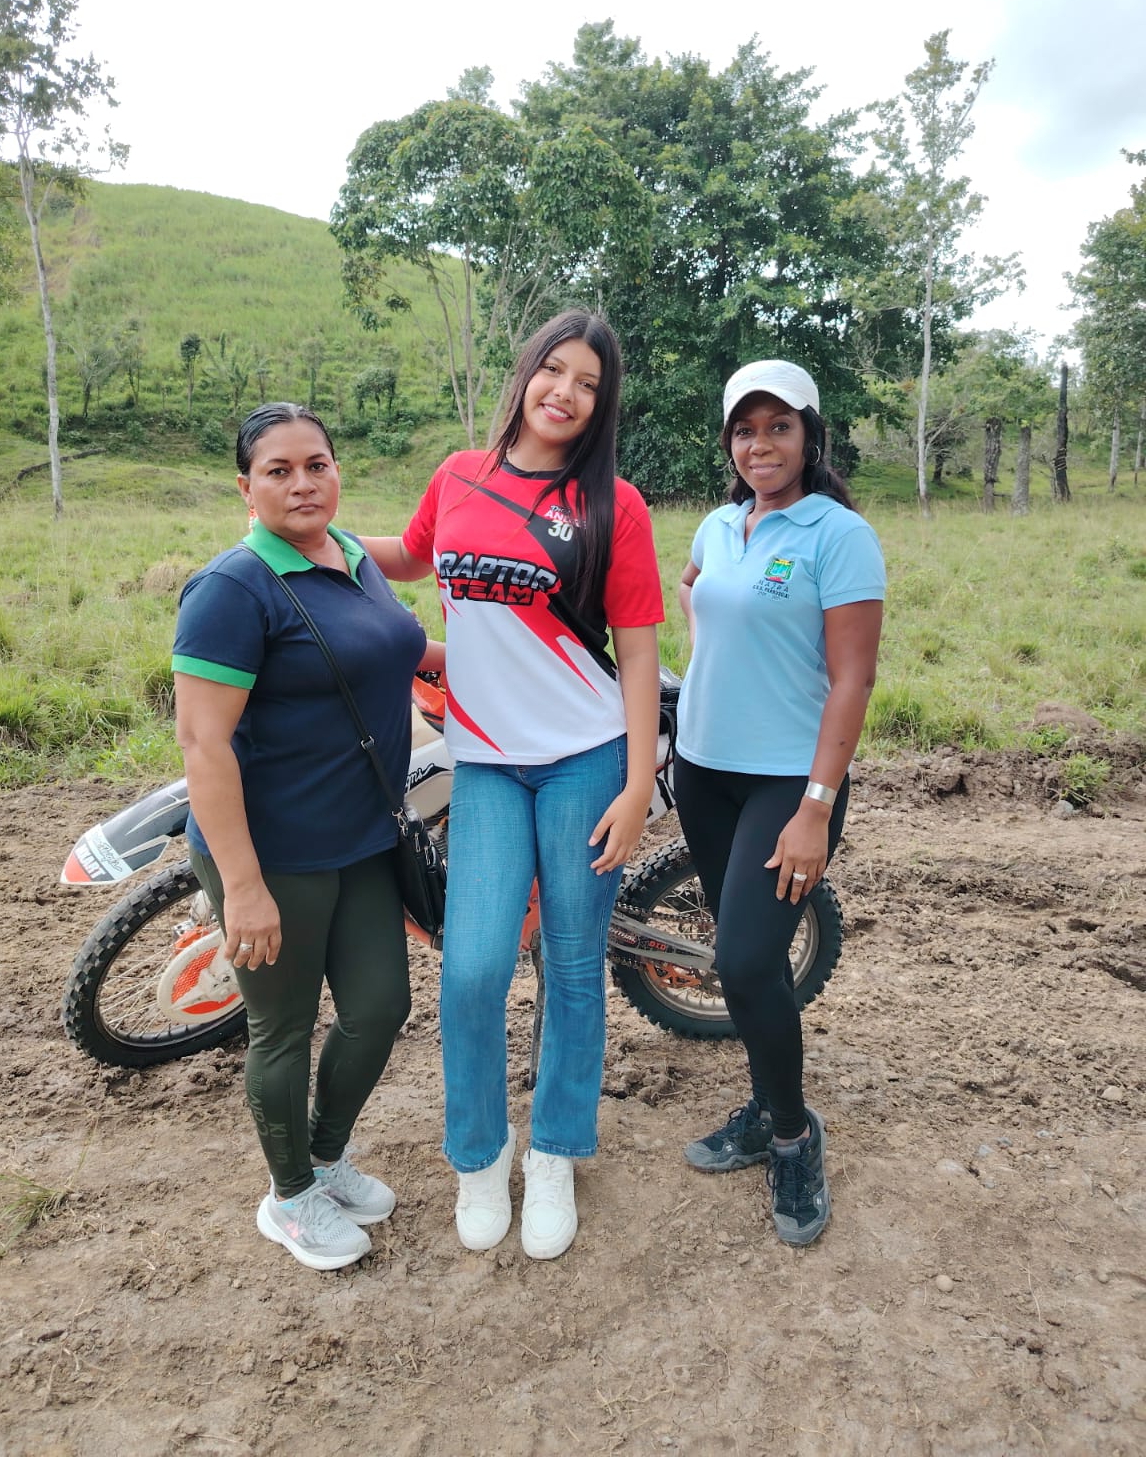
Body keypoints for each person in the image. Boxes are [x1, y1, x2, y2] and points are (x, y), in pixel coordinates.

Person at [362, 309, 664, 1260]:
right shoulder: (460, 475)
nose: (565, 393)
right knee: (473, 969)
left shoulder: (614, 505)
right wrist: (311, 531)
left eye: (588, 383)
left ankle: (556, 1151)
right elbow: (409, 556)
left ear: (602, 404)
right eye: (554, 370)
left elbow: (640, 653)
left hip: (587, 758)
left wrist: (637, 783)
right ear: (527, 372)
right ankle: (480, 1158)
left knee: (572, 967)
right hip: (487, 762)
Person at [171, 403, 443, 1271]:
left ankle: (324, 1158)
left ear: (336, 471)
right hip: (271, 851)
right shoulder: (233, 589)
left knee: (379, 1008)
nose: (302, 484)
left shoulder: (350, 554)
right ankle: (288, 1197)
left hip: (362, 836)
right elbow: (203, 744)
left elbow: (387, 649)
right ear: (245, 488)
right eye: (279, 471)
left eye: (316, 465)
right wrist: (243, 887)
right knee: (282, 1029)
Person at [675, 360, 885, 1246]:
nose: (760, 445)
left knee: (746, 959)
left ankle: (792, 1137)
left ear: (810, 436)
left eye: (779, 428)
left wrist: (816, 807)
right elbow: (692, 588)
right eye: (745, 430)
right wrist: (703, 668)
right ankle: (767, 1108)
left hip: (785, 783)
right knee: (744, 956)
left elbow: (853, 679)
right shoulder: (720, 526)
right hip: (701, 769)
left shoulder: (838, 534)